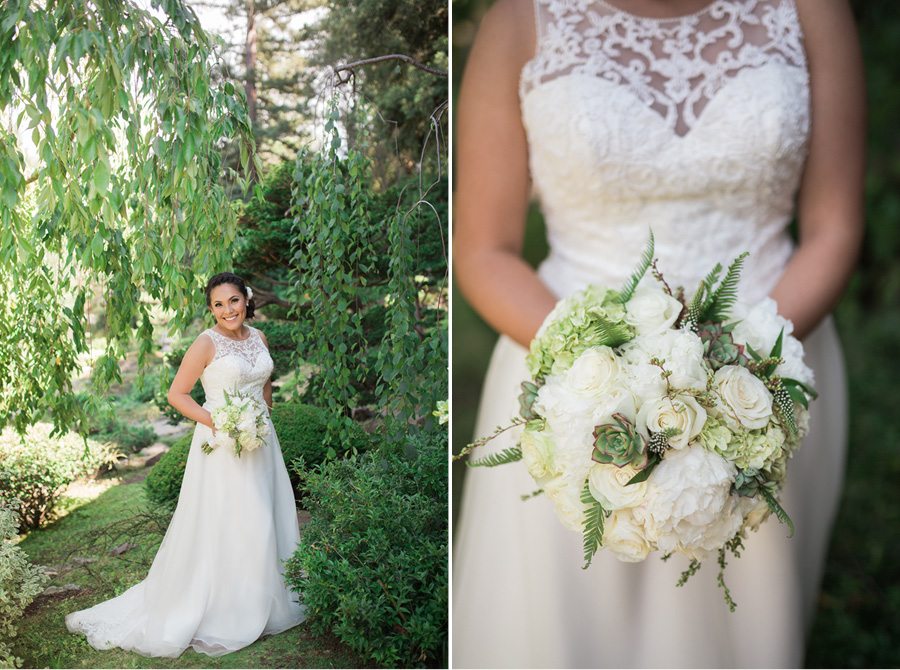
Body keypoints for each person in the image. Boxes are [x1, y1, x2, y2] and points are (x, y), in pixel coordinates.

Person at [452, 0, 864, 667]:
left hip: (772, 369)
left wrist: (743, 373)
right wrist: (603, 376)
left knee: (744, 632)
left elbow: (834, 227)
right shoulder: (520, 18)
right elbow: (482, 250)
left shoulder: (813, 10)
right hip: (569, 381)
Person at [66, 272, 306, 658]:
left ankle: (267, 596)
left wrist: (262, 419)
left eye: (233, 300)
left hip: (260, 440)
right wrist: (221, 421)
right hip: (221, 442)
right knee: (233, 519)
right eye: (218, 304)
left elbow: (264, 384)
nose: (227, 310)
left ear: (246, 299)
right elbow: (177, 394)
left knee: (265, 515)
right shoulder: (205, 343)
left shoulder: (259, 338)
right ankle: (230, 606)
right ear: (210, 309)